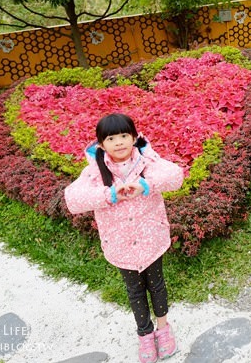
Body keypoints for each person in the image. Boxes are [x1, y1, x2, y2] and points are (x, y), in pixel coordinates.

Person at [65, 113, 184, 362]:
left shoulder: (147, 160)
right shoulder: (95, 171)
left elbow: (176, 176)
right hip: (121, 245)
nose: (119, 142)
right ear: (101, 145)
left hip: (151, 238)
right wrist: (109, 195)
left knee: (157, 285)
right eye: (111, 138)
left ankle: (163, 330)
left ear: (134, 137)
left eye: (124, 136)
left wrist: (146, 185)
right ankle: (145, 334)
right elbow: (73, 200)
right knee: (135, 292)